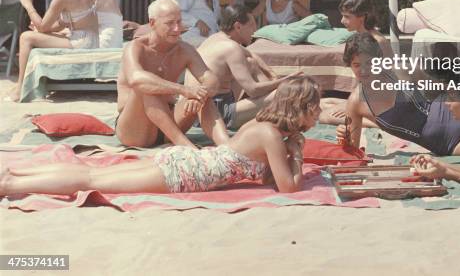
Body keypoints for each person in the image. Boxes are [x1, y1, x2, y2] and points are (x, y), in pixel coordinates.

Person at [0, 77, 322, 196]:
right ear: (301, 107)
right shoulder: (270, 134)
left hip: (190, 163)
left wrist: (291, 147)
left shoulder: (264, 127)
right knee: (90, 180)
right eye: (316, 108)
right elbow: (288, 187)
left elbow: (268, 179)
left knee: (93, 174)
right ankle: (11, 185)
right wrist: (298, 151)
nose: (319, 114)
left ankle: (15, 174)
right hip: (188, 173)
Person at [336, 33, 460, 155]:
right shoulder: (355, 103)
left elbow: (440, 86)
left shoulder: (399, 70)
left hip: (459, 111)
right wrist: (344, 139)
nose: (364, 70)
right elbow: (351, 149)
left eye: (369, 63)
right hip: (447, 141)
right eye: (356, 65)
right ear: (350, 65)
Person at [175, 4, 301, 133]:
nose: (255, 30)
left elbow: (252, 54)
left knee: (250, 63)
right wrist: (282, 82)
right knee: (282, 93)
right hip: (214, 114)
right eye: (252, 25)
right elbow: (253, 90)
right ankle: (280, 108)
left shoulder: (216, 38)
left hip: (202, 109)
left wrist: (271, 74)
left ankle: (270, 103)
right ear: (238, 26)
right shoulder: (231, 48)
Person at [115, 0, 218, 149]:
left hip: (168, 125)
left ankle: (227, 145)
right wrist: (184, 90)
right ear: (152, 23)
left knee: (204, 96)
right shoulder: (136, 48)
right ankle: (187, 147)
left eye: (179, 22)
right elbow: (136, 79)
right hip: (136, 129)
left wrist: (199, 97)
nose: (177, 29)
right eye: (170, 23)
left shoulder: (184, 49)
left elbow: (212, 80)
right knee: (146, 86)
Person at [8, 0, 99, 102]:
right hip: (87, 38)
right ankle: (22, 84)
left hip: (82, 42)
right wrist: (41, 29)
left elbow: (43, 26)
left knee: (26, 37)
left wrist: (28, 5)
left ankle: (21, 86)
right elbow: (61, 24)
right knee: (34, 35)